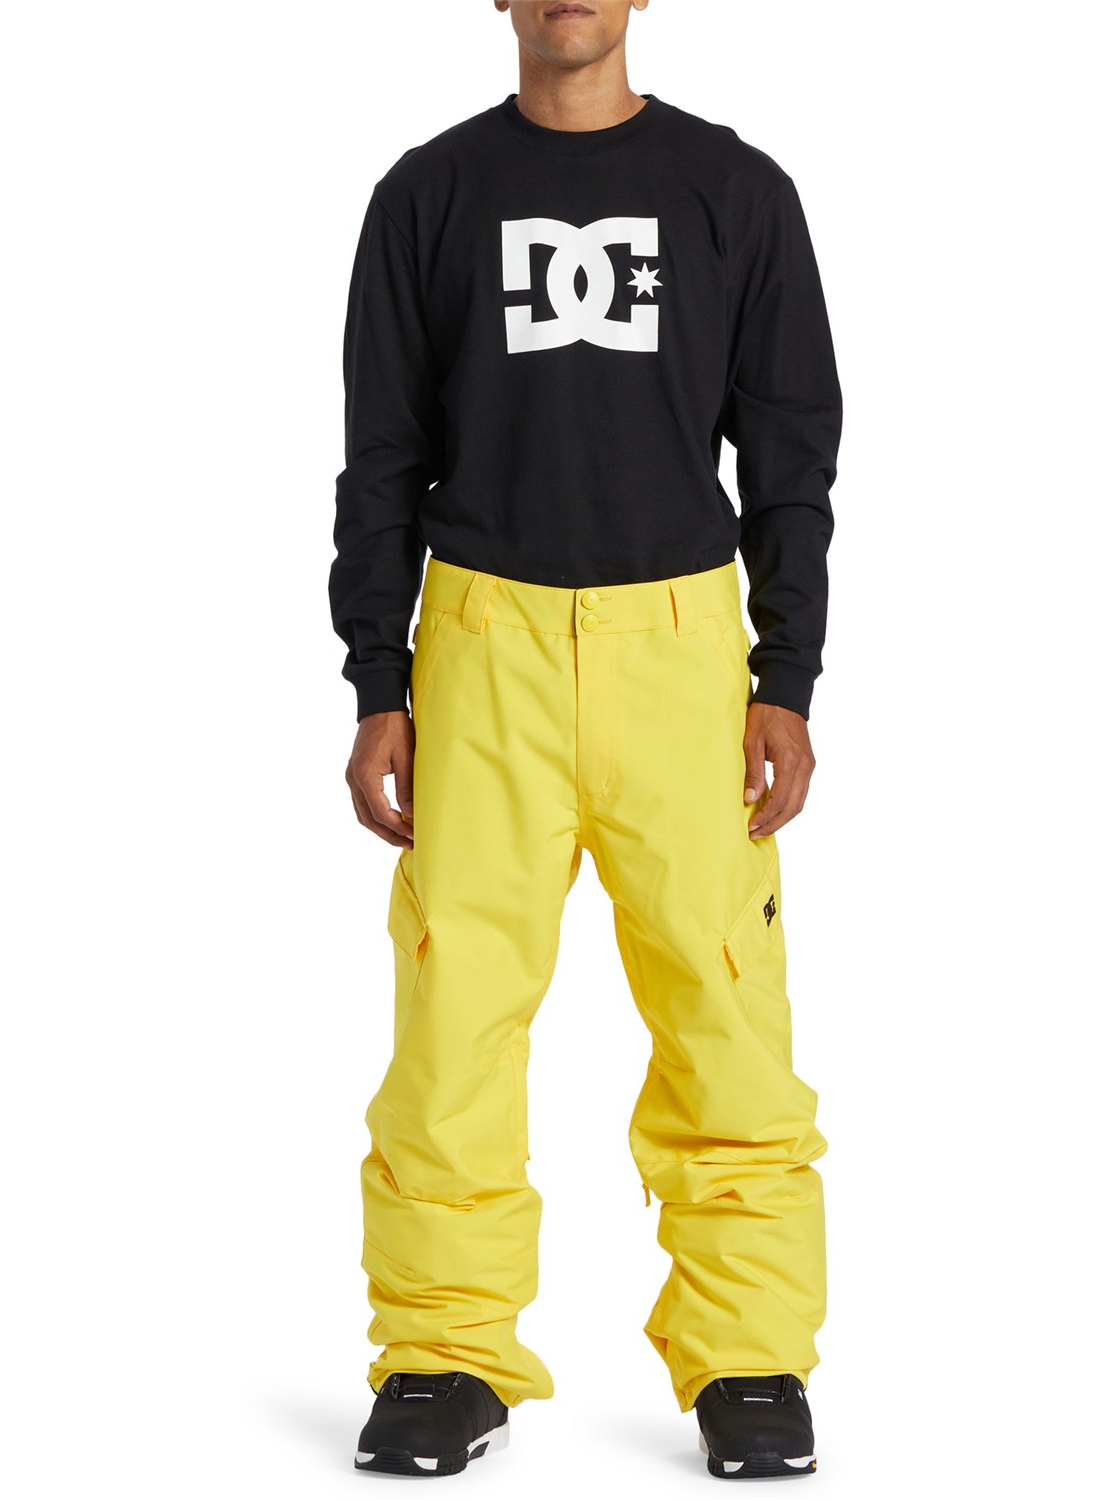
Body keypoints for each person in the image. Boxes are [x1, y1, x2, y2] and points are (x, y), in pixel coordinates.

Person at [329, 0, 842, 1479]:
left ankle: (750, 1359)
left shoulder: (736, 192)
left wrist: (788, 675)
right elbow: (381, 456)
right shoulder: (427, 196)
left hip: (682, 646)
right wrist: (379, 679)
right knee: (454, 1017)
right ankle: (441, 1352)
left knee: (722, 1003)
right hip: (481, 645)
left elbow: (792, 450)